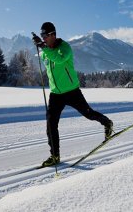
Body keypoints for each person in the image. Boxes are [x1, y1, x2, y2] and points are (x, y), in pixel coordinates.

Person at [32, 22, 113, 167]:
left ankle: (107, 122)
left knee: (88, 114)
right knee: (51, 125)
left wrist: (43, 47)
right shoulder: (45, 52)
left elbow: (58, 59)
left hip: (72, 91)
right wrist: (42, 48)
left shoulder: (65, 48)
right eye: (42, 36)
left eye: (45, 35)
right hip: (55, 94)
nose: (43, 38)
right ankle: (55, 156)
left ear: (53, 35)